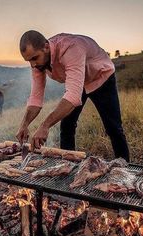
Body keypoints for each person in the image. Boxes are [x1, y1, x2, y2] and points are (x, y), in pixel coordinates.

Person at [16, 30, 130, 162]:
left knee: (113, 127)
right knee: (67, 125)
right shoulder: (38, 64)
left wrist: (44, 125)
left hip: (101, 77)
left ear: (46, 47)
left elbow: (72, 97)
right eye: (29, 60)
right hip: (78, 83)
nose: (33, 64)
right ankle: (68, 165)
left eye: (35, 58)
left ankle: (124, 167)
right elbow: (36, 99)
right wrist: (24, 125)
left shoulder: (71, 48)